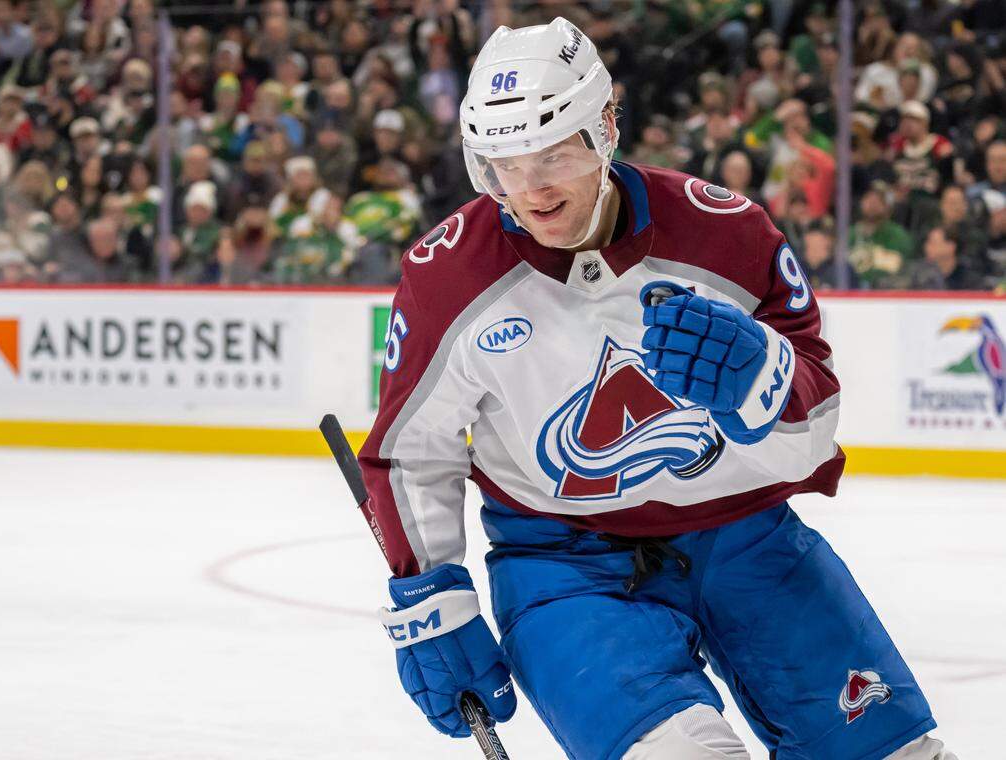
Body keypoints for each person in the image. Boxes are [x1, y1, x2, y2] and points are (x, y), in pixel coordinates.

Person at [358, 18, 955, 760]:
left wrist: (762, 384)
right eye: (502, 165)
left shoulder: (725, 236)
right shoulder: (447, 276)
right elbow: (412, 453)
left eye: (550, 155)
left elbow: (817, 432)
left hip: (752, 543)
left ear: (605, 128)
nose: (529, 190)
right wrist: (431, 597)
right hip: (569, 567)